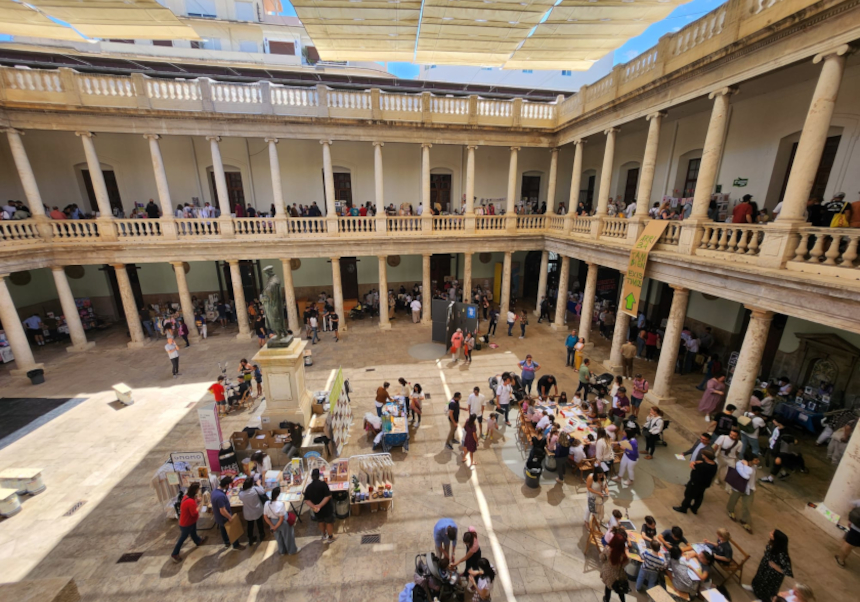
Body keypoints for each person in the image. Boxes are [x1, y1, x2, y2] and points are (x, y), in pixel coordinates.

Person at [746, 530, 792, 601]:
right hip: (765, 566)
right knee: (759, 577)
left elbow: (787, 571)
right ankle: (754, 588)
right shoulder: (772, 544)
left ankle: (762, 599)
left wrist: (776, 568)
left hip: (773, 574)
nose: (769, 533)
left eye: (772, 534)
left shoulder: (782, 555)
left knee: (766, 585)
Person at [170, 482, 208, 562]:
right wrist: (199, 506)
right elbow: (194, 513)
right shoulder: (190, 501)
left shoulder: (186, 497)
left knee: (193, 532)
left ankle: (198, 541)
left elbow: (194, 501)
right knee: (183, 538)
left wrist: (197, 500)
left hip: (189, 522)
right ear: (195, 490)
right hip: (186, 523)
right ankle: (175, 553)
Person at [674, 448, 718, 514]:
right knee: (699, 496)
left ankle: (684, 508)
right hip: (704, 484)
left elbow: (694, 468)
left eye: (703, 455)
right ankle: (694, 508)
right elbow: (700, 462)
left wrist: (693, 463)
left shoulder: (702, 466)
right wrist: (695, 462)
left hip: (695, 483)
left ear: (706, 457)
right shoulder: (714, 465)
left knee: (688, 494)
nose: (702, 456)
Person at [726, 453, 759, 533]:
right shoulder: (739, 464)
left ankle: (745, 521)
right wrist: (746, 466)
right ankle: (730, 510)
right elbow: (746, 476)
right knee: (733, 500)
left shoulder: (754, 466)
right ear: (750, 460)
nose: (758, 461)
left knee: (747, 505)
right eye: (756, 460)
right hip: (739, 487)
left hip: (749, 489)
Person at [212, 476, 246, 551]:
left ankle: (226, 542)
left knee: (223, 529)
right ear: (227, 485)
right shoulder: (220, 496)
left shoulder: (215, 491)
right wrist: (229, 517)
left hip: (218, 517)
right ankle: (236, 545)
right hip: (224, 517)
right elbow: (222, 510)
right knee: (232, 530)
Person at [304, 468, 335, 542]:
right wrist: (320, 505)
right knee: (328, 522)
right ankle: (330, 537)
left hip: (317, 510)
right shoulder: (323, 484)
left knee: (320, 521)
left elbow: (306, 500)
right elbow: (328, 496)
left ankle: (324, 534)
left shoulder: (309, 487)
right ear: (319, 476)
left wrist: (314, 506)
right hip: (326, 508)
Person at [598, 531, 629, 602]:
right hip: (618, 575)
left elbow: (602, 558)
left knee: (608, 588)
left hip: (608, 573)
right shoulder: (623, 556)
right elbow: (625, 565)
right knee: (620, 590)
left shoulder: (607, 549)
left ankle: (606, 599)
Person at [238, 477, 267, 546]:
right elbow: (263, 491)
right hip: (257, 510)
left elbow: (240, 497)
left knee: (250, 525)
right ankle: (261, 535)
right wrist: (259, 484)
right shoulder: (255, 489)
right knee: (260, 523)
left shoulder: (241, 494)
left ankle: (250, 538)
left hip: (248, 512)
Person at [834, 499, 860, 567]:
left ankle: (840, 559)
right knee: (849, 544)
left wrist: (851, 519)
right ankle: (841, 558)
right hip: (856, 528)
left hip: (856, 527)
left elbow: (852, 504)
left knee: (848, 544)